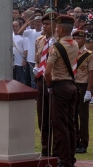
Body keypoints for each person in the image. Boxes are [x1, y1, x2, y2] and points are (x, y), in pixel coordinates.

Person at [45, 15, 78, 167]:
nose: (56, 30)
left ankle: (64, 160)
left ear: (61, 29)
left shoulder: (56, 47)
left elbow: (47, 71)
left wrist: (49, 85)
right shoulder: (75, 44)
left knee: (60, 125)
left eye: (57, 27)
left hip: (59, 86)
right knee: (70, 124)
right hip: (71, 84)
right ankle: (70, 157)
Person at [34, 12, 55, 157]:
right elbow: (37, 57)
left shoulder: (60, 41)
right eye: (44, 24)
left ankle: (57, 149)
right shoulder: (40, 40)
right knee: (42, 116)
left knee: (56, 117)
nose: (44, 27)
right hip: (41, 79)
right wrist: (36, 66)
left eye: (47, 24)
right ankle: (45, 148)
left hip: (55, 80)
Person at [72, 30, 93, 154]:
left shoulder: (88, 54)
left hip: (83, 85)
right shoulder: (70, 53)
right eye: (74, 38)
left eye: (79, 39)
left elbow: (92, 73)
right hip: (72, 85)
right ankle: (74, 140)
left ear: (84, 40)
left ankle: (83, 143)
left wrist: (88, 91)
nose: (76, 41)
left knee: (83, 115)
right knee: (72, 115)